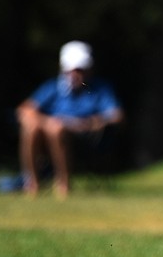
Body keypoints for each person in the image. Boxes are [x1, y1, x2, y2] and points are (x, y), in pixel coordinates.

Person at [17, 41, 124, 199]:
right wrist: (48, 122)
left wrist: (96, 122)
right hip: (50, 136)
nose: (77, 75)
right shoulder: (53, 87)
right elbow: (24, 110)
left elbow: (117, 116)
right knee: (33, 127)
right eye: (73, 70)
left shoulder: (98, 88)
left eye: (81, 70)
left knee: (56, 128)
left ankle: (64, 185)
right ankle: (32, 184)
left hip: (85, 140)